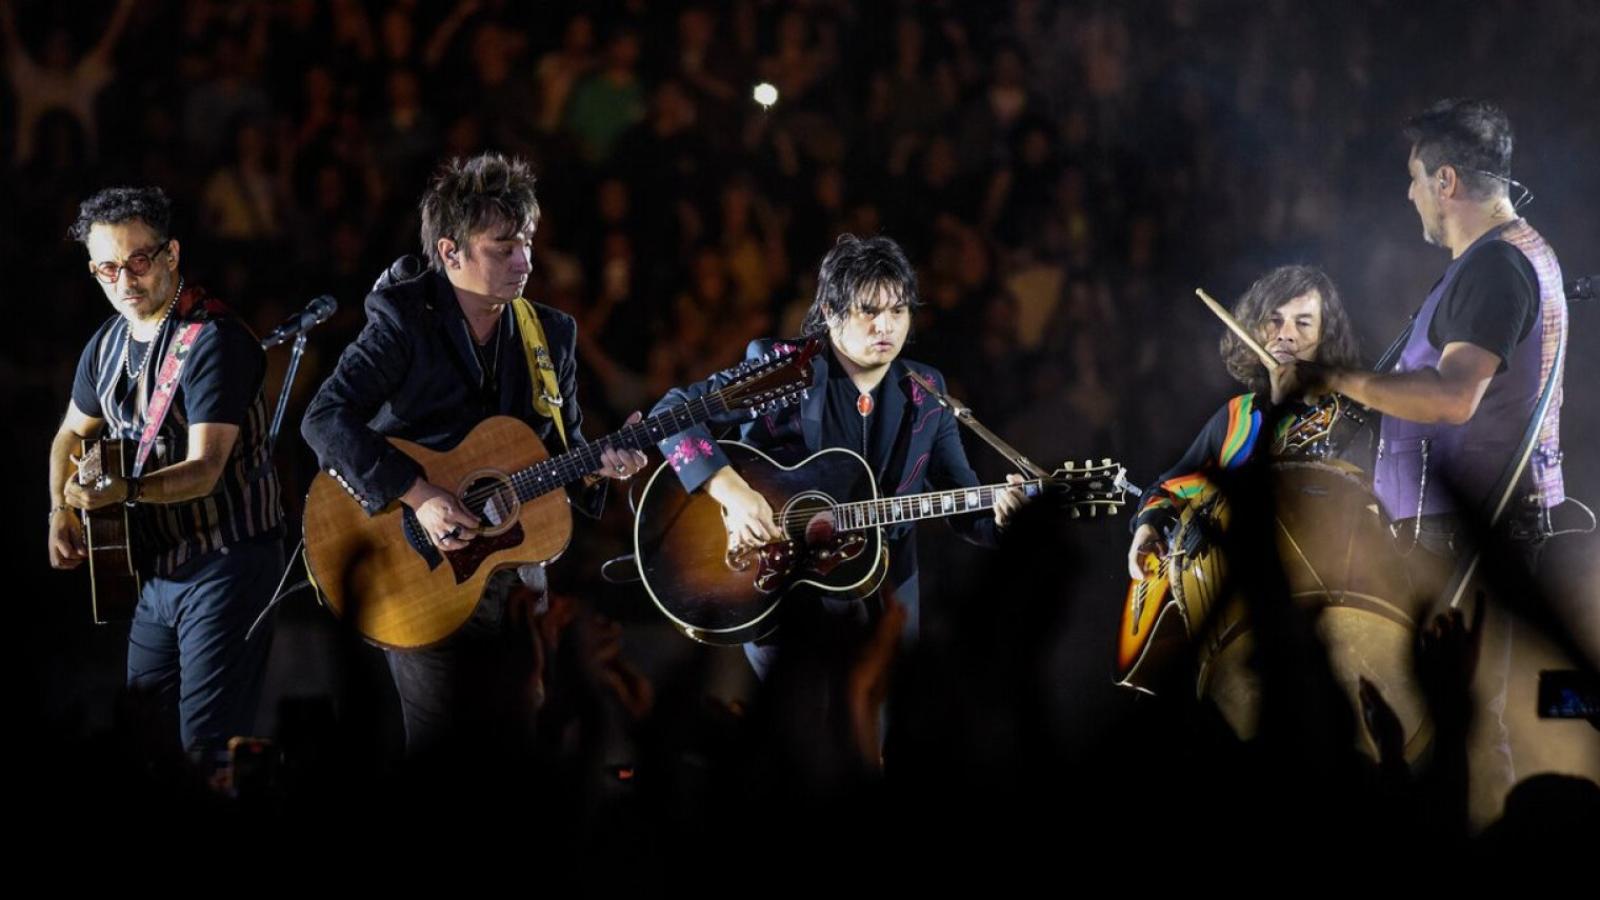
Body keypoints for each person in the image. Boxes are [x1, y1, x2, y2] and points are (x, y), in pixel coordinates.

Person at [301, 152, 645, 754]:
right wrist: (419, 493)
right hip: (416, 565)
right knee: (440, 756)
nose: (525, 261)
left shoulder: (551, 334)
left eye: (527, 244)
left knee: (520, 749)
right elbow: (325, 418)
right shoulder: (404, 318)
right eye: (503, 248)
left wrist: (601, 468)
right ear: (451, 252)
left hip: (515, 573)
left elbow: (563, 453)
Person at [650, 234, 1028, 682]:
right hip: (782, 587)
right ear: (830, 312)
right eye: (869, 311)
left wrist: (1006, 518)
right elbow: (670, 415)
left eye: (898, 310)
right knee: (806, 721)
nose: (886, 326)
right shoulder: (785, 370)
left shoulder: (927, 392)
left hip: (886, 594)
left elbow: (964, 505)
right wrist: (733, 492)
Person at [48, 185, 286, 758]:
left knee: (205, 745)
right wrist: (59, 510)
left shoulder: (214, 342)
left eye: (138, 261)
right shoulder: (106, 344)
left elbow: (205, 469)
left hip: (228, 559)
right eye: (107, 269)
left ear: (171, 254)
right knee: (144, 743)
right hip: (155, 570)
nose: (124, 281)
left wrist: (125, 490)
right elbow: (68, 435)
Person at [1126, 264, 1367, 581]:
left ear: (1325, 338)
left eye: (1303, 323)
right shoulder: (1236, 417)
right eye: (1275, 320)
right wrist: (1147, 527)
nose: (1285, 333)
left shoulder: (1348, 419)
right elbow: (1170, 488)